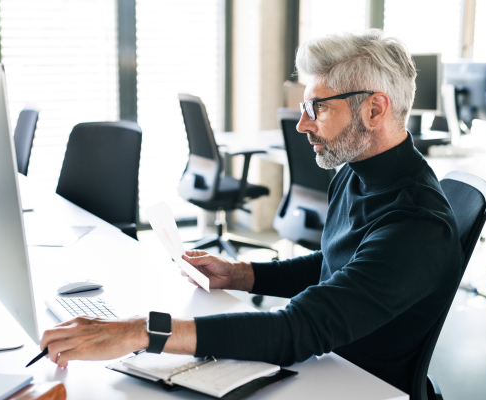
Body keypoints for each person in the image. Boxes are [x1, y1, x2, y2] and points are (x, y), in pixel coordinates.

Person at [40, 29, 462, 395]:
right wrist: (244, 275)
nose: (302, 125)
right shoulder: (356, 172)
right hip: (328, 366)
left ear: (374, 110)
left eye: (318, 107)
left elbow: (298, 330)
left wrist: (141, 331)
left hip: (362, 386)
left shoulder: (417, 223)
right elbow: (339, 265)